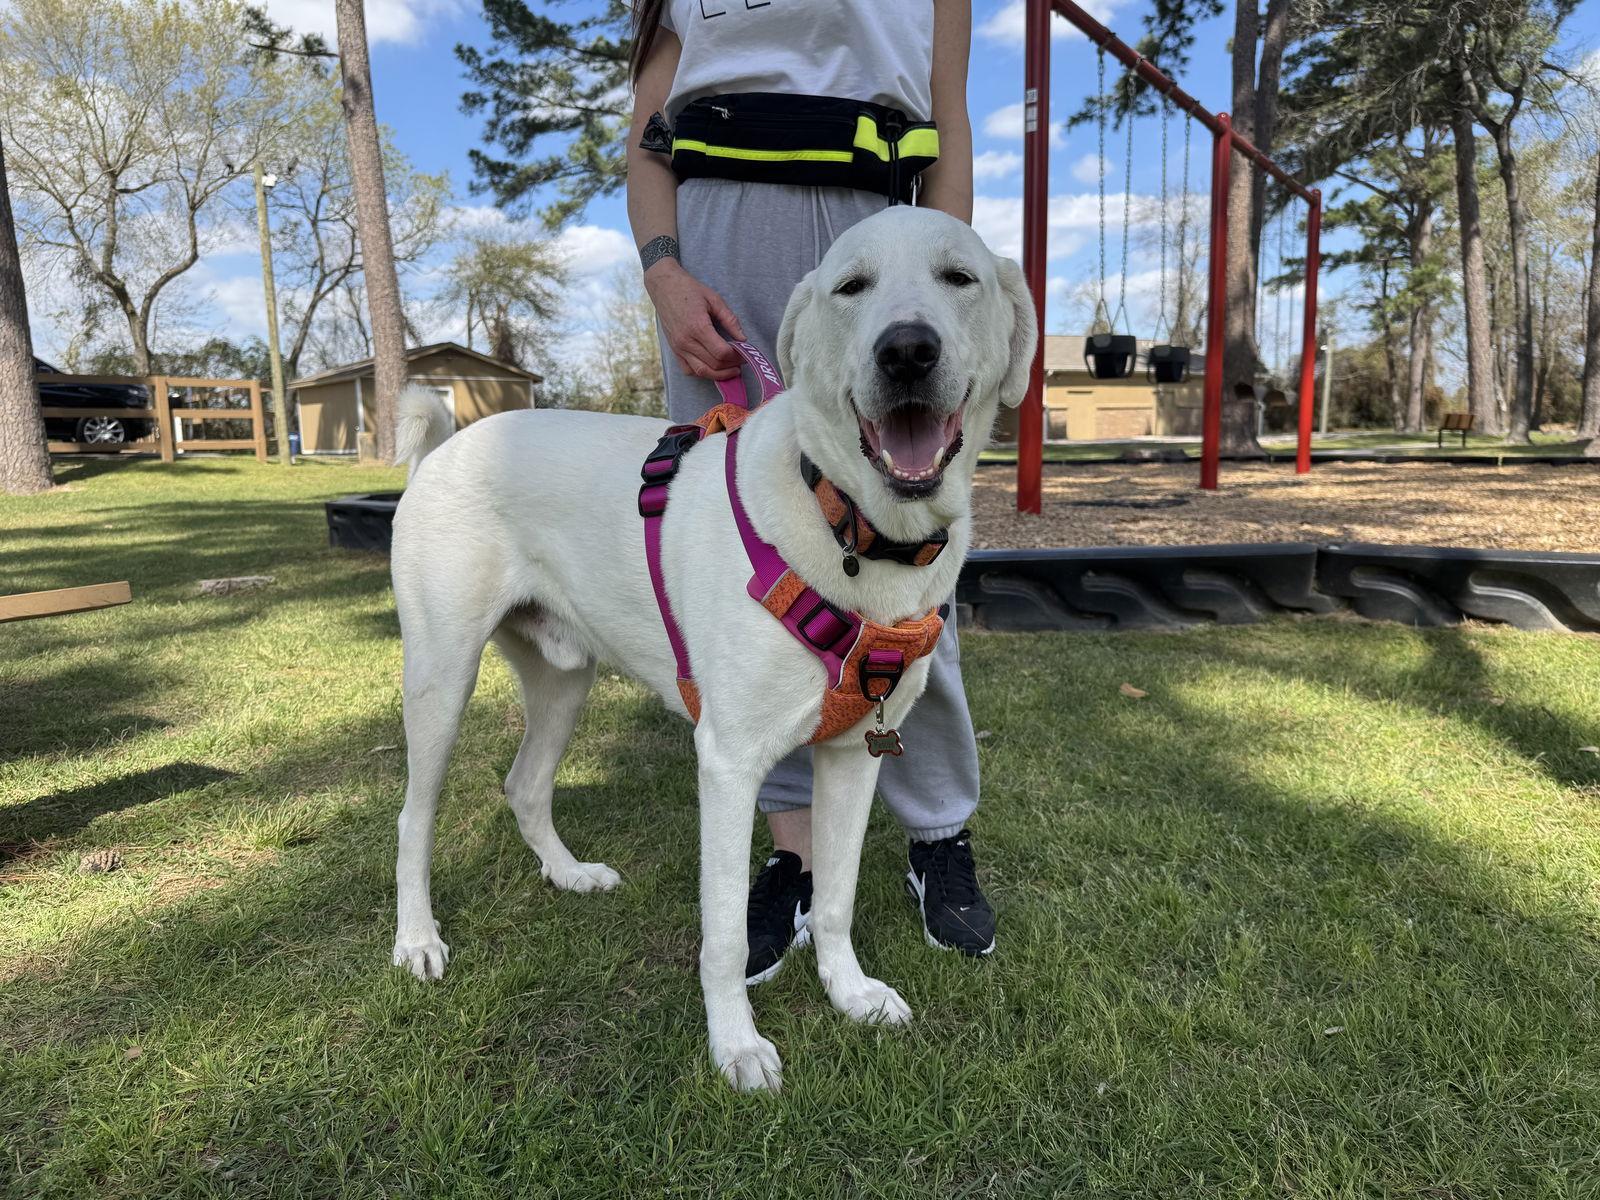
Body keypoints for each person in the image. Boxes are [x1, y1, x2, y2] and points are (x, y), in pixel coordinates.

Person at [625, 0, 995, 983]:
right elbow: (648, 133)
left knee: (907, 553)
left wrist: (941, 272)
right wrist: (664, 272)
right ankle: (793, 853)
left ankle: (936, 828)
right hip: (717, 238)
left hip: (880, 222)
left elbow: (947, 120)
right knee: (750, 571)